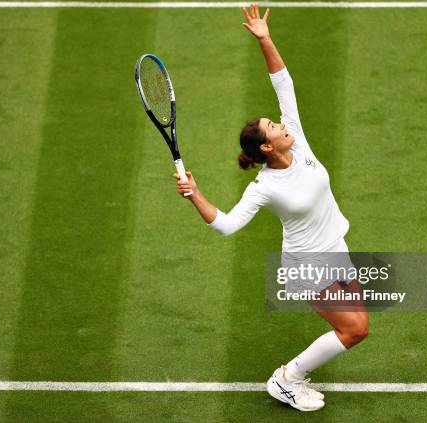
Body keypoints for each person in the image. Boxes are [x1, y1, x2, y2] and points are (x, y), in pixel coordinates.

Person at [174, 4, 368, 412]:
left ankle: (291, 375)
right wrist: (195, 194)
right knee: (355, 331)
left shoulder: (296, 139)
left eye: (278, 123)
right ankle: (286, 379)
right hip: (307, 265)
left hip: (335, 246)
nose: (282, 125)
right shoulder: (264, 187)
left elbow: (283, 83)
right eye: (274, 128)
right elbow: (226, 225)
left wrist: (265, 38)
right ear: (267, 147)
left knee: (355, 321)